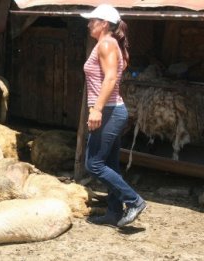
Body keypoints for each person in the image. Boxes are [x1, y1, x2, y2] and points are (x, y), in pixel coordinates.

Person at [81, 4, 146, 227]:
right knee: (110, 164)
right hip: (111, 111)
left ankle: (134, 200)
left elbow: (110, 79)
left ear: (104, 24)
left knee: (94, 164)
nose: (89, 24)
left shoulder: (107, 44)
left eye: (92, 20)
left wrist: (97, 109)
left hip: (108, 111)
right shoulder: (108, 44)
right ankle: (114, 212)